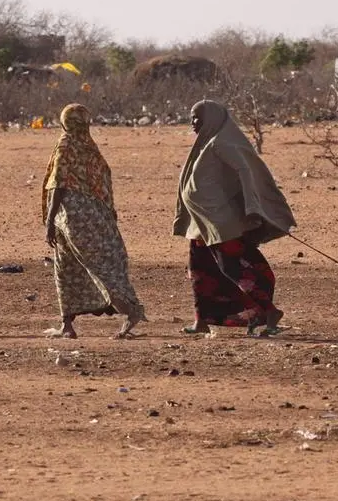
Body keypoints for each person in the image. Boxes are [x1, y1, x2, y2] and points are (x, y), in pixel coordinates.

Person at [173, 99, 296, 336]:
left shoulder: (222, 143)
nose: (193, 122)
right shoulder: (206, 144)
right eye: (191, 117)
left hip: (221, 223)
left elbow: (245, 170)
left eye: (197, 117)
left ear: (213, 118)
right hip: (202, 223)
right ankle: (202, 320)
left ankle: (268, 311)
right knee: (200, 270)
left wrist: (252, 204)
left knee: (233, 267)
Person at [42, 103, 145, 339]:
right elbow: (104, 183)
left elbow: (59, 183)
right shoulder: (90, 147)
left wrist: (49, 220)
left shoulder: (66, 145)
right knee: (68, 266)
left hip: (72, 216)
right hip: (96, 215)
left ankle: (131, 311)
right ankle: (66, 325)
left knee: (92, 267)